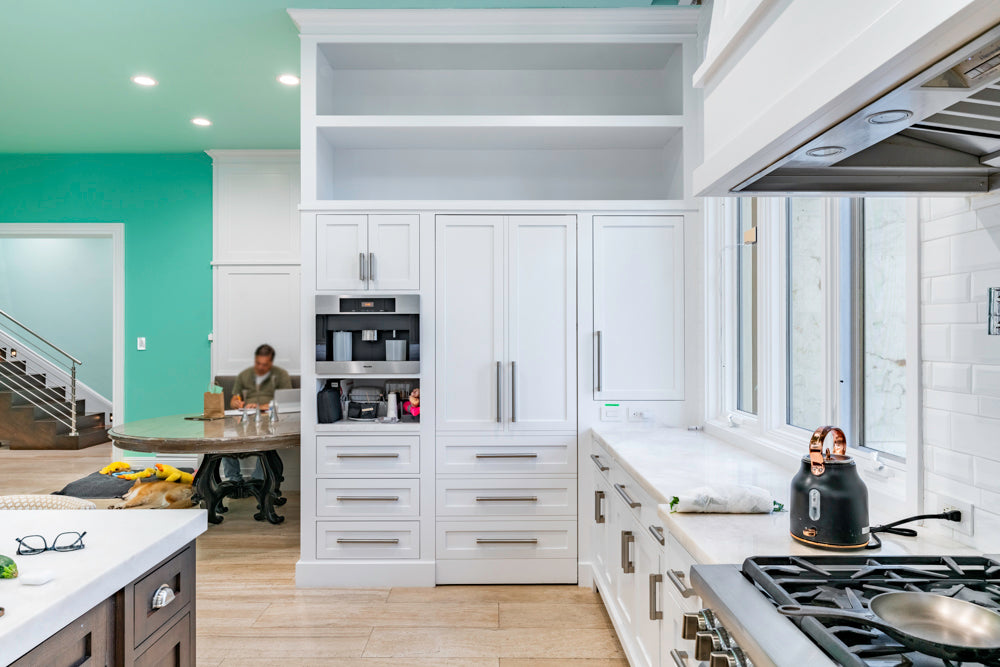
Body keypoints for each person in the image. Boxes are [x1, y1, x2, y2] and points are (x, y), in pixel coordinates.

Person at [222, 344, 292, 481]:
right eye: (258, 363)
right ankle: (233, 481)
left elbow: (285, 401)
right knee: (224, 441)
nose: (260, 367)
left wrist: (259, 407)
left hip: (268, 419)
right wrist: (235, 402)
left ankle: (258, 481)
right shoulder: (244, 375)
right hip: (244, 418)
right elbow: (234, 399)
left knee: (267, 443)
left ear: (271, 363)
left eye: (265, 364)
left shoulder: (281, 375)